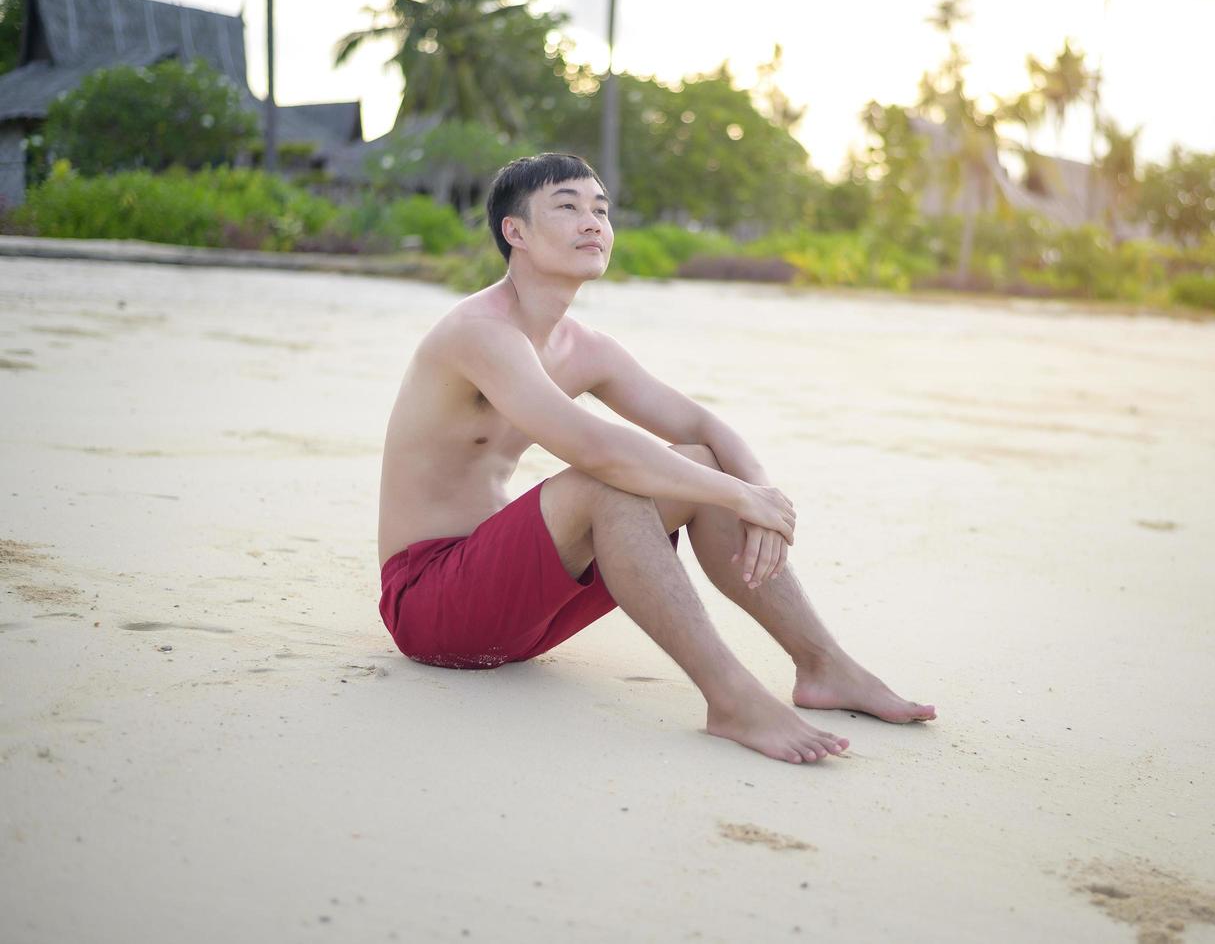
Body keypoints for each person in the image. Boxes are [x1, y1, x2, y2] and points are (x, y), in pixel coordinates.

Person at [377, 152, 935, 765]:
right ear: (516, 232)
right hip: (432, 606)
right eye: (567, 206)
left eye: (601, 209)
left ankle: (823, 666)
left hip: (519, 610)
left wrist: (760, 494)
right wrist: (739, 497)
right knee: (607, 483)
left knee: (700, 458)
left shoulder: (583, 348)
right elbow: (596, 449)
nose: (592, 221)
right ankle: (731, 698)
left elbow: (703, 425)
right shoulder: (478, 333)